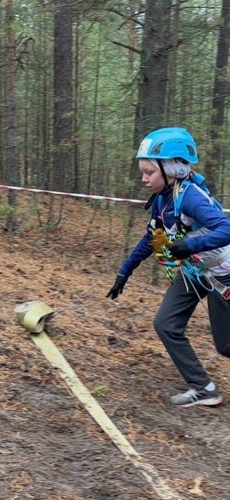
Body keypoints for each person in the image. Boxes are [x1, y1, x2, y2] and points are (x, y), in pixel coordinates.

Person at [107, 127, 230, 407]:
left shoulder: (191, 197)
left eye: (149, 172)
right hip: (195, 272)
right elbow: (152, 237)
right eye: (142, 171)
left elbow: (227, 228)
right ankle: (204, 388)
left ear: (172, 168)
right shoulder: (163, 199)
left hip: (223, 273)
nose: (144, 178)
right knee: (165, 324)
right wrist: (124, 272)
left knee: (226, 346)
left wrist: (190, 246)